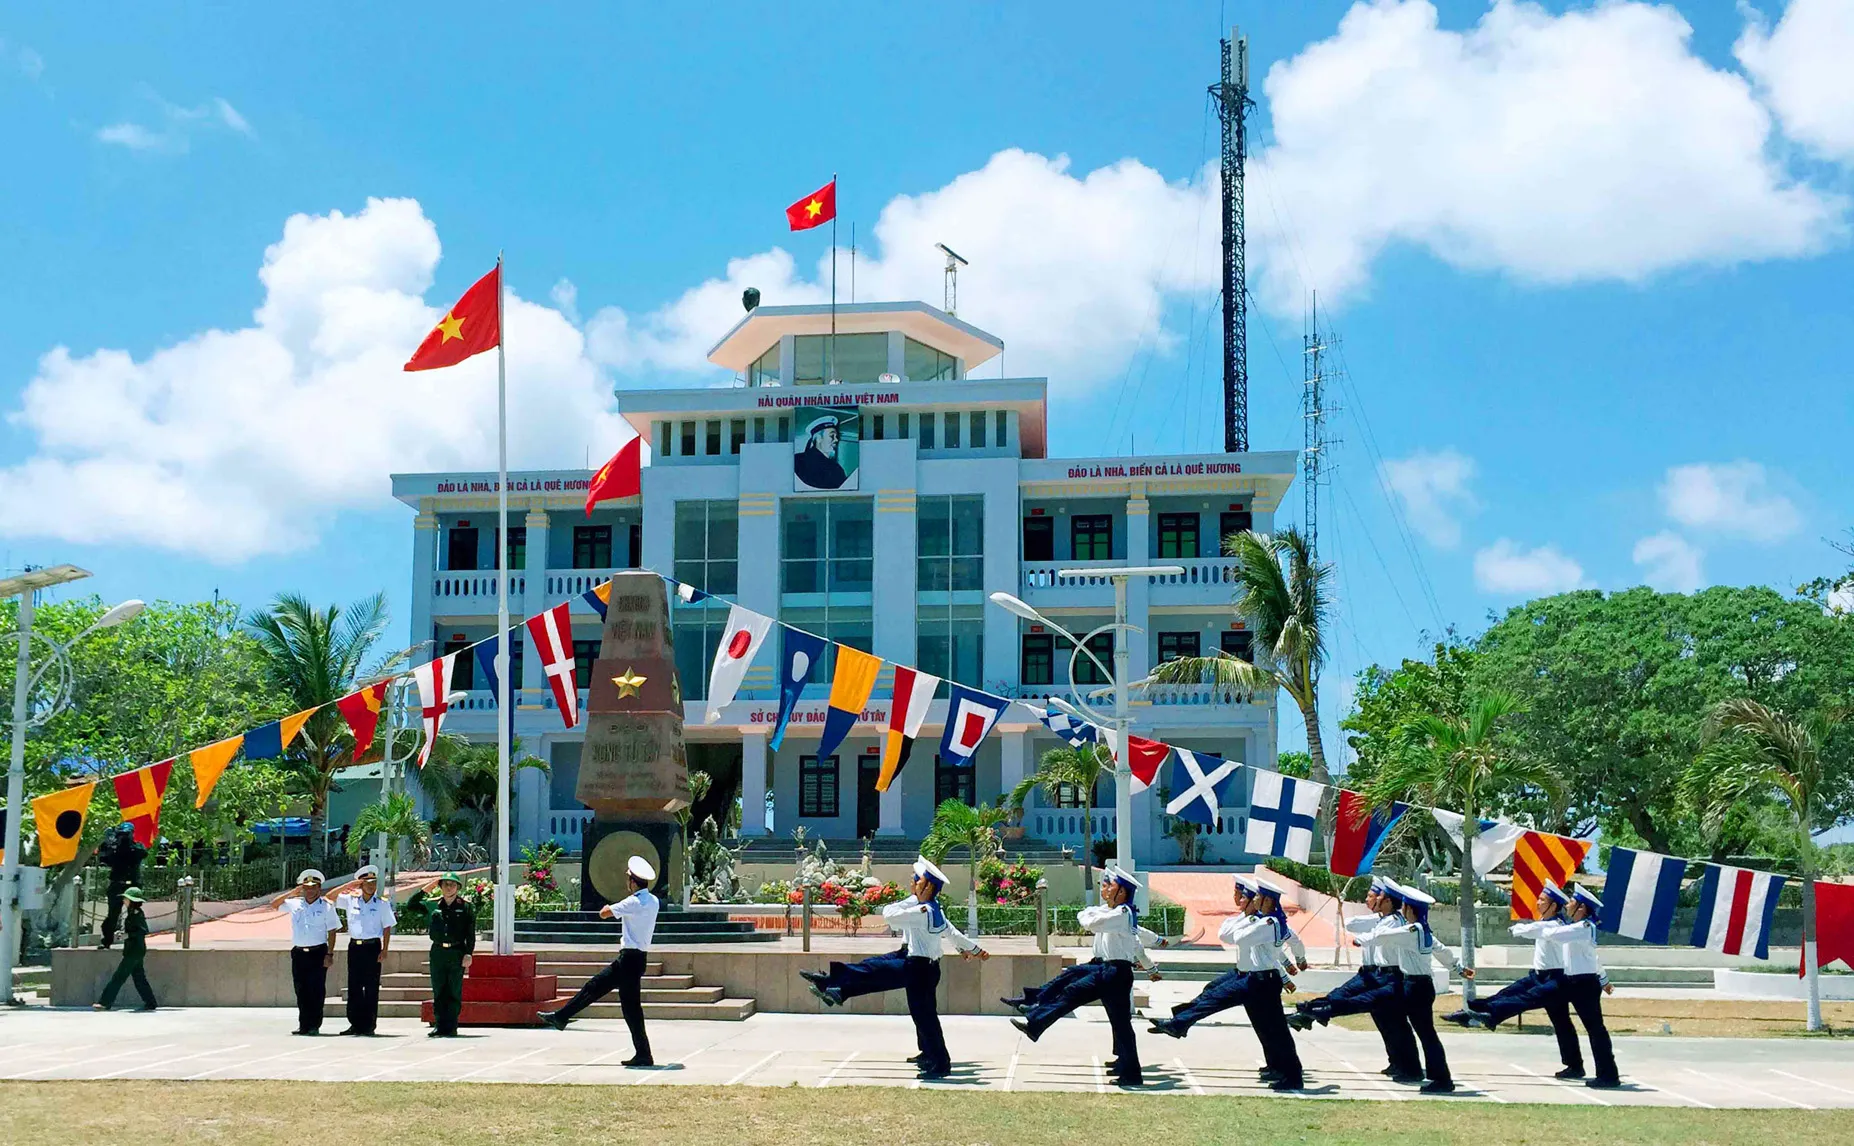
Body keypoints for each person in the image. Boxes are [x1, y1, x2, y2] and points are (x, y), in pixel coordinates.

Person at [800, 857, 990, 1080]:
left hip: (917, 967)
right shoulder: (934, 909)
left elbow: (888, 914)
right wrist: (972, 949)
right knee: (888, 984)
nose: (913, 882)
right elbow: (952, 933)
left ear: (927, 887)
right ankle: (834, 986)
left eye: (917, 881)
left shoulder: (921, 912)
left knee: (886, 983)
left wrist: (912, 900)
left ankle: (940, 1063)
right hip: (922, 966)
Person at [1011, 866, 1166, 1088]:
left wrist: (1151, 966)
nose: (1105, 888)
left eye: (1110, 885)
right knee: (1090, 1003)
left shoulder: (1121, 915)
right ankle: (1036, 1021)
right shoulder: (1117, 913)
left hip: (1115, 973)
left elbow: (1088, 922)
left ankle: (1131, 1073)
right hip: (1109, 971)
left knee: (1114, 1019)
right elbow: (1089, 916)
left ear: (1121, 892)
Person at [1443, 881, 1585, 1078]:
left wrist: (1516, 929)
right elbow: (1536, 928)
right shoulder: (1547, 924)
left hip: (1556, 979)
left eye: (1542, 900)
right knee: (1549, 1015)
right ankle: (1474, 1010)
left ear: (1553, 906)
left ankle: (1488, 1014)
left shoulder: (1556, 926)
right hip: (1539, 975)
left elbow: (1532, 930)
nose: (1537, 903)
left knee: (1525, 1000)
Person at [1287, 877, 1423, 1082]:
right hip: (1369, 974)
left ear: (1384, 900)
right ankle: (1309, 1012)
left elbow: (1377, 936)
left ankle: (1409, 1067)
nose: (1366, 900)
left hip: (1388, 976)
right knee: (1345, 998)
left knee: (1392, 1023)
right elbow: (1350, 923)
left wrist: (1363, 937)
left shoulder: (1395, 922)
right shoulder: (1380, 919)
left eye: (1371, 896)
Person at [538, 856, 660, 1066]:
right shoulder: (653, 901)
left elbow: (603, 913)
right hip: (638, 959)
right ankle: (643, 1053)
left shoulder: (633, 902)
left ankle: (561, 1017)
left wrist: (608, 906)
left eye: (628, 879)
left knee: (594, 987)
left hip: (628, 959)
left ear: (633, 881)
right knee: (631, 1008)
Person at [1379, 885, 1467, 1093]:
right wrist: (1458, 968)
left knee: (1426, 1034)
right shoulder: (1422, 929)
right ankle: (1425, 1072)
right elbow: (1442, 950)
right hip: (1419, 986)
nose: (1402, 911)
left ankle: (1441, 1079)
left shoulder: (1412, 930)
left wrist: (1360, 939)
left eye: (1405, 907)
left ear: (1410, 910)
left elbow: (1384, 937)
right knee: (1419, 1030)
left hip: (1416, 987)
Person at [270, 869, 341, 1035]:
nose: (310, 891)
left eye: (313, 887)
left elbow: (332, 931)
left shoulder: (326, 906)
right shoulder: (295, 904)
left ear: (319, 888)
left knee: (316, 990)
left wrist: (329, 954)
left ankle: (314, 1025)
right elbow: (274, 904)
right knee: (301, 989)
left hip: (318, 952)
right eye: (306, 888)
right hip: (299, 952)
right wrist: (293, 892)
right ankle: (304, 1025)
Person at [332, 865, 395, 1036]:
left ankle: (369, 1025)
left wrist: (385, 949)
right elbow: (330, 897)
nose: (371, 886)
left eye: (373, 883)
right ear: (360, 884)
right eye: (367, 883)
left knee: (371, 987)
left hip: (372, 947)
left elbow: (387, 927)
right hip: (355, 947)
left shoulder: (382, 903)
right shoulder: (351, 900)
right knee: (354, 986)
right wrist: (349, 885)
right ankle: (355, 1023)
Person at [424, 872, 477, 1038]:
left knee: (454, 990)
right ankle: (439, 1025)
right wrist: (427, 888)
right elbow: (412, 904)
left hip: (456, 951)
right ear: (440, 887)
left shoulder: (466, 907)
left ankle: (452, 1026)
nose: (449, 887)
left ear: (458, 888)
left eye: (452, 884)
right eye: (445, 884)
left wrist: (469, 953)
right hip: (438, 951)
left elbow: (470, 933)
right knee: (439, 989)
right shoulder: (433, 905)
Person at [92, 886, 156, 1012]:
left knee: (119, 977)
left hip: (134, 951)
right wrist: (123, 933)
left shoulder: (137, 914)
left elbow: (143, 931)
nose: (124, 901)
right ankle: (151, 1002)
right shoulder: (132, 913)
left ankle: (105, 1002)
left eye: (126, 899)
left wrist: (127, 935)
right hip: (134, 950)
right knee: (139, 978)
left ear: (133, 901)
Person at [96, 823, 147, 949]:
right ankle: (107, 940)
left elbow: (143, 853)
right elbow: (103, 857)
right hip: (117, 884)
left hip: (132, 886)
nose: (124, 838)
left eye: (126, 835)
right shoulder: (113, 848)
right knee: (112, 915)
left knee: (134, 914)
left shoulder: (136, 848)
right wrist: (110, 843)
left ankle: (135, 940)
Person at [793, 414, 853, 490]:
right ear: (818, 438)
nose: (836, 440)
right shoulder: (798, 461)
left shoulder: (837, 469)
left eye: (836, 436)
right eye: (832, 436)